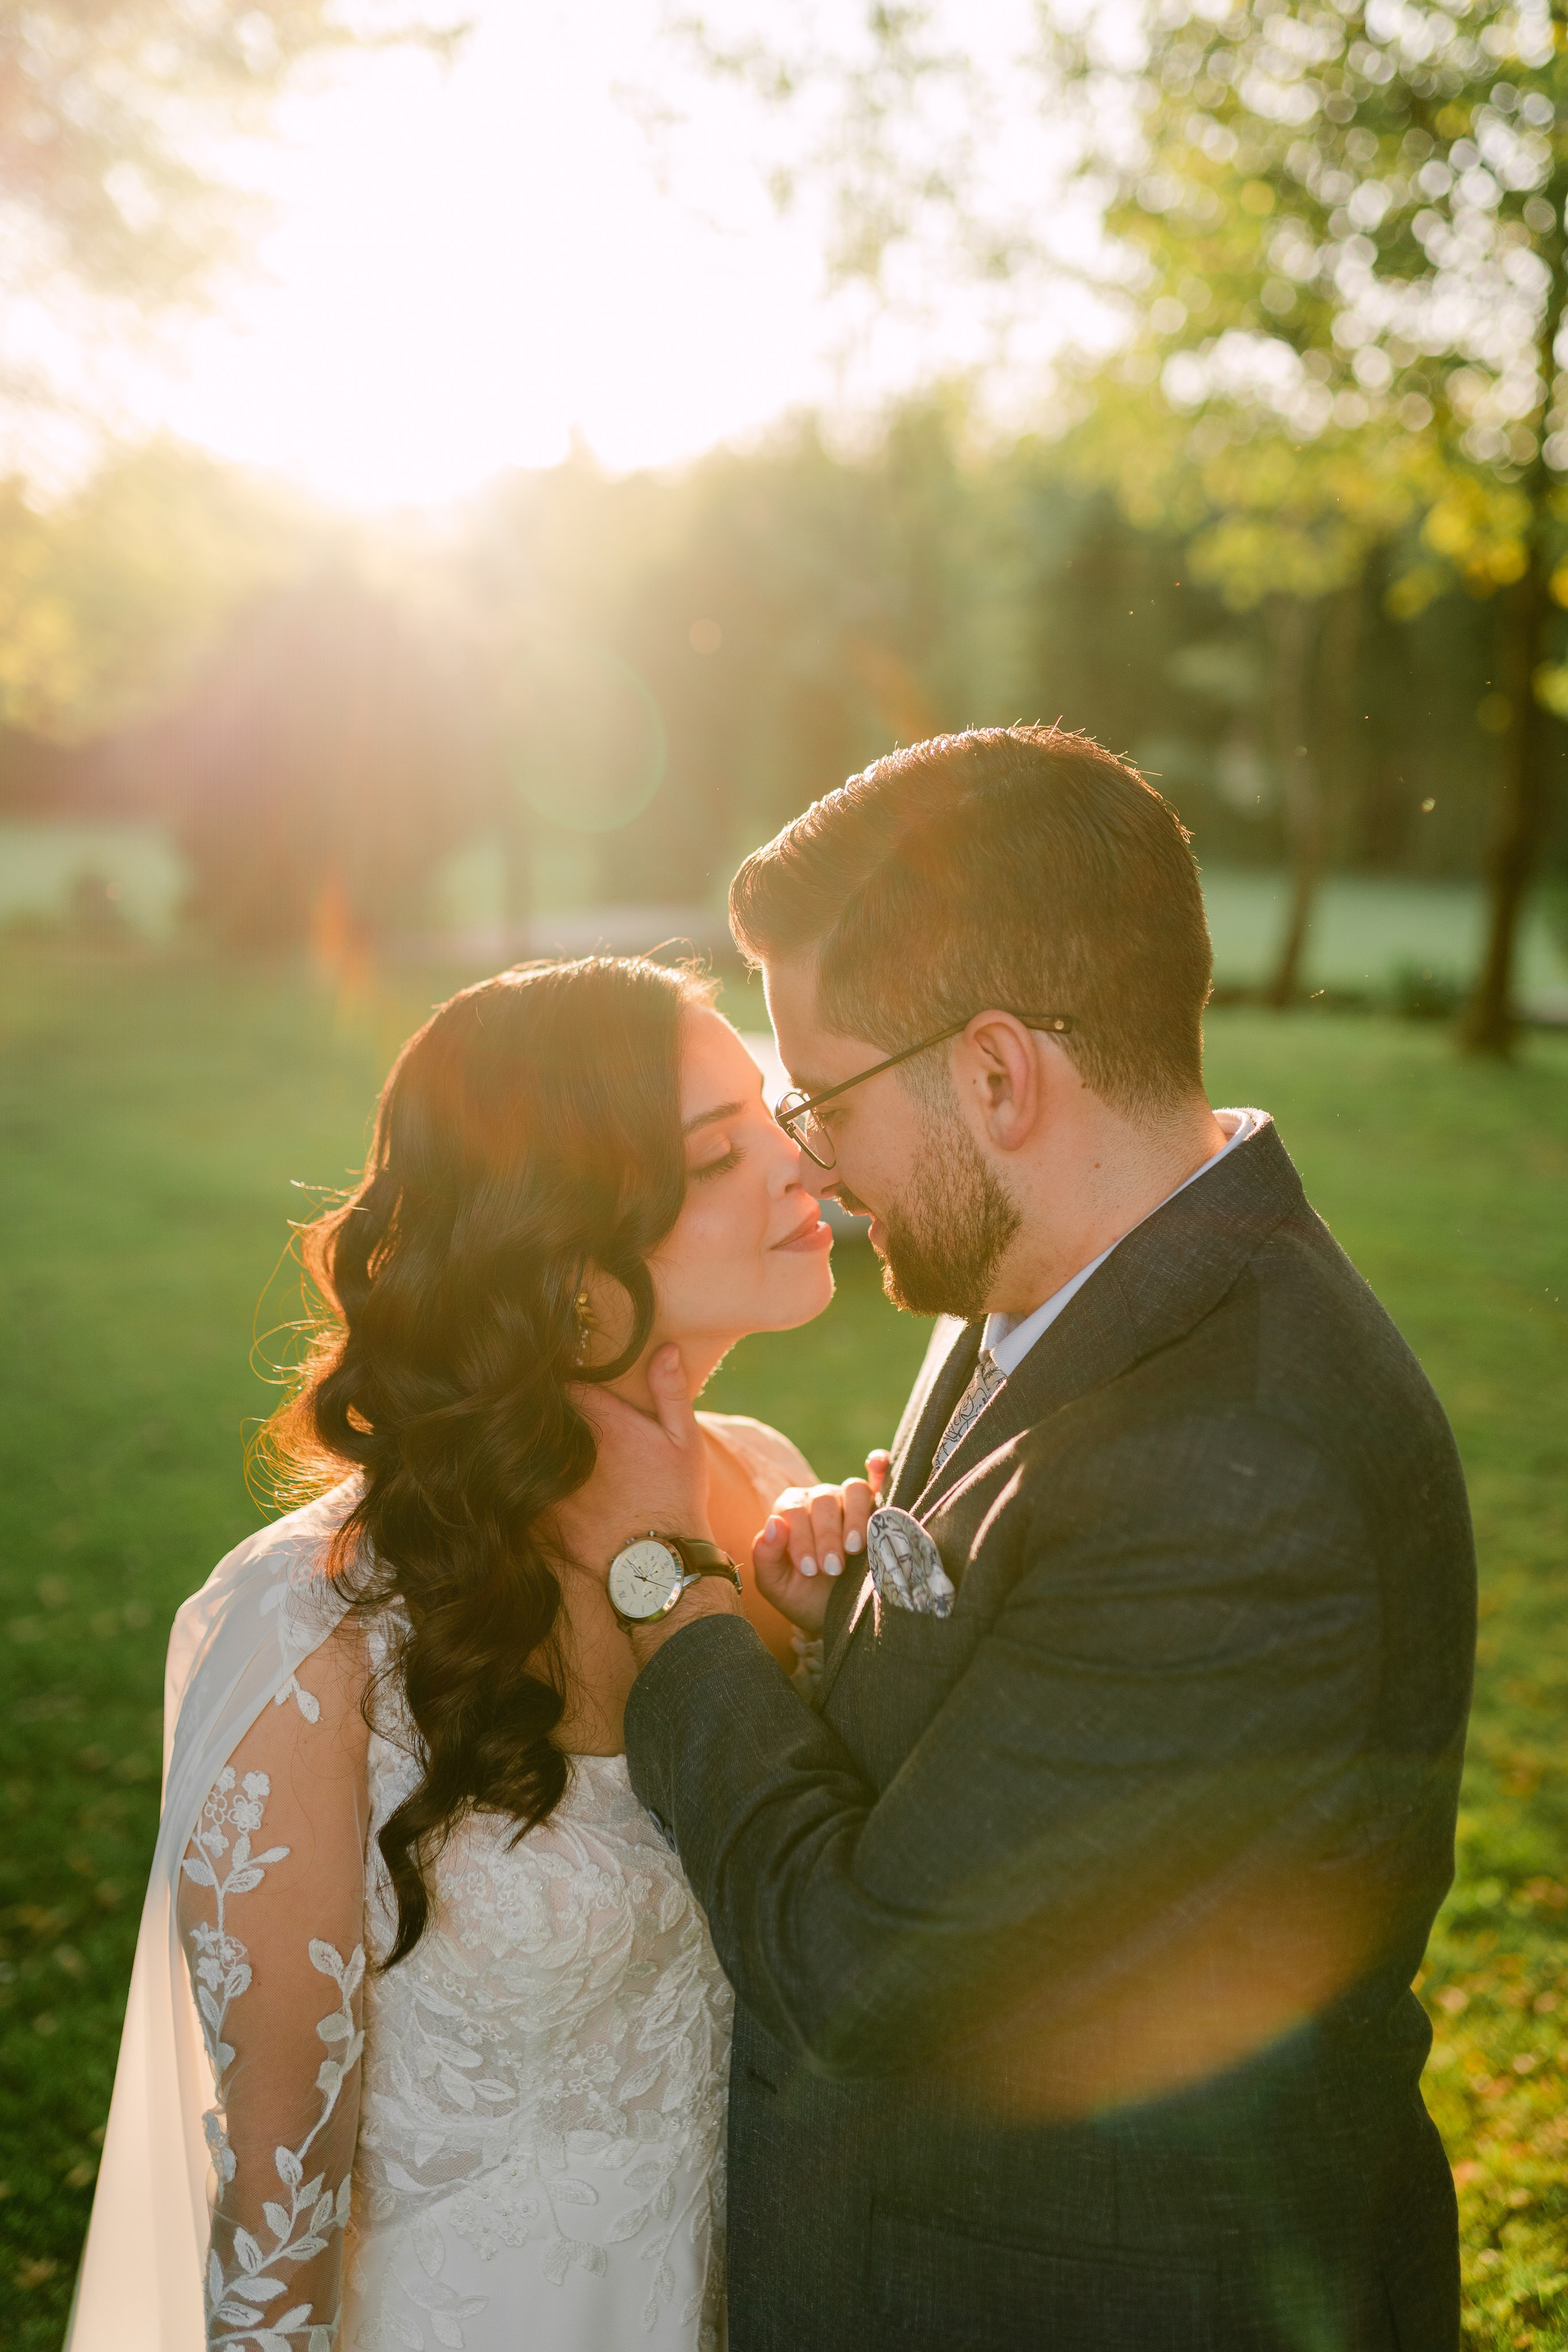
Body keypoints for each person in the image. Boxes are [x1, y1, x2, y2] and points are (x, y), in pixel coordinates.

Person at [562, 725, 1477, 2352]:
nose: (813, 1161)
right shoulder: (1060, 1270)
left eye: (823, 1095)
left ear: (999, 1074)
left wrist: (668, 1591)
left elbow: (856, 1981)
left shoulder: (1236, 1467)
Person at [68, 954, 872, 2352]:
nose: (800, 1166)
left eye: (774, 1118)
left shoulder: (768, 1502)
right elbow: (274, 2223)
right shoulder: (316, 1640)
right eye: (716, 1151)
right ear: (558, 1248)